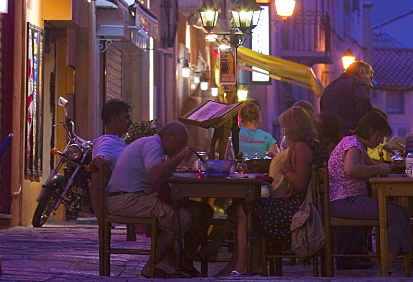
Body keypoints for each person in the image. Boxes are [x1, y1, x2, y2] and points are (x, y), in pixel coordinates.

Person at [219, 106, 326, 276]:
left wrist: (285, 171)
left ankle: (243, 265)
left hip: (297, 209)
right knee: (246, 207)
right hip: (304, 204)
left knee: (245, 209)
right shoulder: (315, 144)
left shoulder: (301, 147)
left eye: (286, 127)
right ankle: (250, 264)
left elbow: (299, 182)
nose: (285, 131)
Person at [106, 121, 213, 278]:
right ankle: (155, 265)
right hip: (127, 199)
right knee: (182, 217)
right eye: (180, 143)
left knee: (203, 211)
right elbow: (155, 174)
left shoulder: (152, 144)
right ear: (168, 136)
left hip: (133, 196)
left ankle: (184, 259)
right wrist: (180, 156)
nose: (180, 148)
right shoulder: (153, 144)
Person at [328, 109, 410, 271]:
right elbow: (350, 169)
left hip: (346, 201)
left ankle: (393, 261)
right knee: (399, 214)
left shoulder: (354, 144)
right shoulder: (352, 143)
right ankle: (387, 267)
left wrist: (384, 168)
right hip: (346, 201)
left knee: (398, 213)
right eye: (379, 136)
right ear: (371, 130)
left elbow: (373, 167)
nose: (380, 142)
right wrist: (380, 167)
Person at [320, 60, 374, 134]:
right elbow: (363, 99)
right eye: (370, 78)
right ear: (361, 72)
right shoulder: (357, 85)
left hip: (329, 136)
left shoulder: (329, 87)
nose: (371, 85)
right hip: (349, 136)